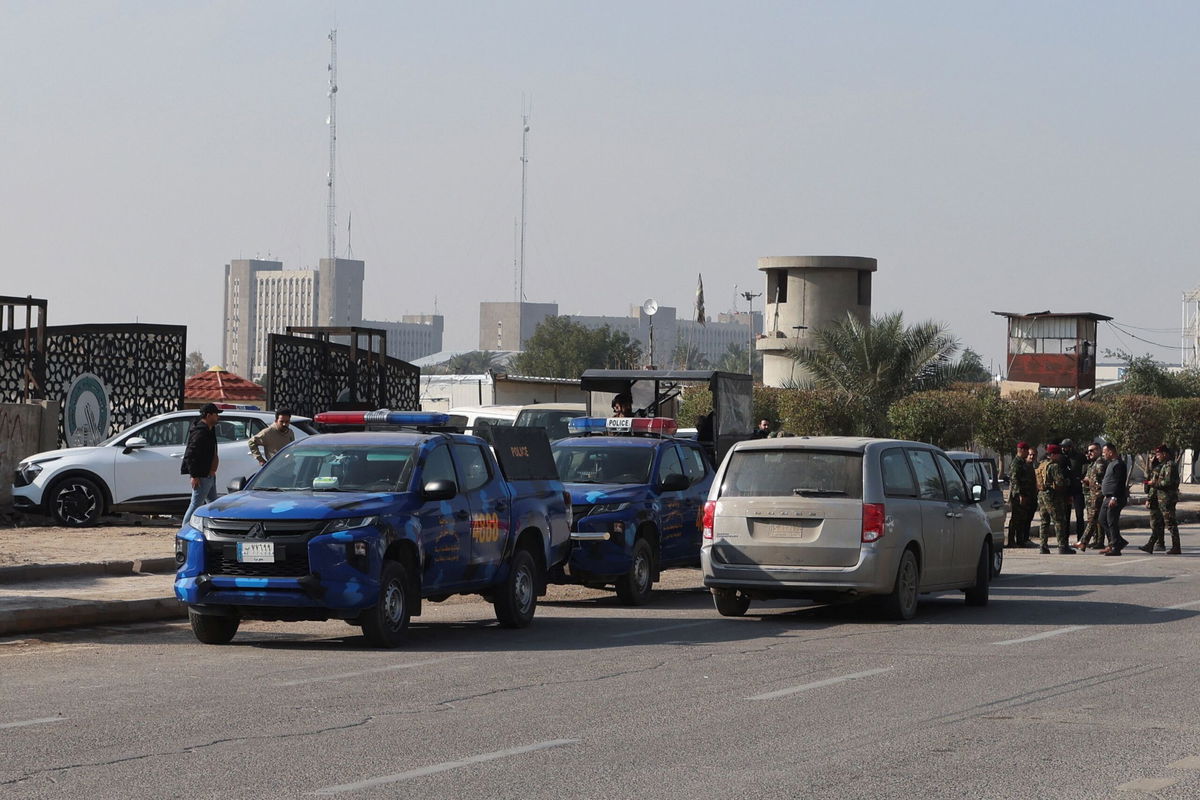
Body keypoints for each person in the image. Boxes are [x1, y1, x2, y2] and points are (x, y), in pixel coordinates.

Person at [181, 403, 221, 526]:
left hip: (209, 474)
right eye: (216, 415)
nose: (217, 417)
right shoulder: (200, 432)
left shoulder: (209, 429)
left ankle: (214, 526)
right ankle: (185, 528)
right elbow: (190, 455)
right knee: (195, 504)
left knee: (213, 503)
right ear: (208, 415)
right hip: (202, 475)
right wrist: (194, 475)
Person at [1140, 444, 1182, 554]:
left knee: (1170, 523)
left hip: (1167, 499)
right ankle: (1150, 545)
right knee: (1158, 523)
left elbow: (1168, 482)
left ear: (1164, 454)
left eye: (1158, 454)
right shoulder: (1163, 465)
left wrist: (1154, 483)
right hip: (1161, 499)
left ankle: (1176, 547)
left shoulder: (1170, 465)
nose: (1157, 456)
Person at [1035, 443, 1072, 554]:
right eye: (1058, 454)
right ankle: (1062, 546)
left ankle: (1043, 546)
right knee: (1059, 520)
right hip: (1052, 496)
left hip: (1041, 495)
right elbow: (1060, 482)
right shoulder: (1054, 466)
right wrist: (1068, 481)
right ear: (1054, 454)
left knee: (1044, 521)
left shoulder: (1042, 464)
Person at [1076, 443, 1108, 551]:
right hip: (1092, 495)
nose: (1089, 453)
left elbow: (1102, 478)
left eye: (1092, 450)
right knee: (1097, 520)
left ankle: (1084, 541)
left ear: (1098, 450)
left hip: (1098, 495)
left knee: (1093, 520)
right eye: (1088, 451)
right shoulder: (1093, 463)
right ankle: (1108, 542)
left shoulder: (1100, 463)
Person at [1099, 442, 1129, 556]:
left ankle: (1116, 547)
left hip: (1115, 497)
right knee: (1102, 520)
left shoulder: (1119, 464)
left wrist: (1114, 497)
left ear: (1110, 452)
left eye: (1104, 452)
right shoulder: (1111, 463)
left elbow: (1119, 483)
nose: (1103, 454)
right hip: (1107, 497)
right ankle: (1117, 541)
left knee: (1112, 522)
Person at [1007, 442, 1037, 548]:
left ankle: (1020, 540)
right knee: (1016, 519)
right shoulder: (1016, 463)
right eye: (1027, 451)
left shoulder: (1023, 462)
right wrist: (1019, 494)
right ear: (1022, 450)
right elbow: (1014, 479)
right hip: (1018, 496)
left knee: (1022, 519)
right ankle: (1011, 541)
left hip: (1025, 494)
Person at [1060, 438, 1086, 539]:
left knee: (1079, 515)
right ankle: (1065, 539)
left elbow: (1086, 467)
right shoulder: (1062, 457)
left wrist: (1081, 478)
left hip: (1077, 490)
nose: (1063, 449)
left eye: (1065, 447)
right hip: (1066, 491)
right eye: (1062, 447)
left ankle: (1081, 539)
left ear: (1070, 447)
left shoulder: (1079, 457)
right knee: (1065, 516)